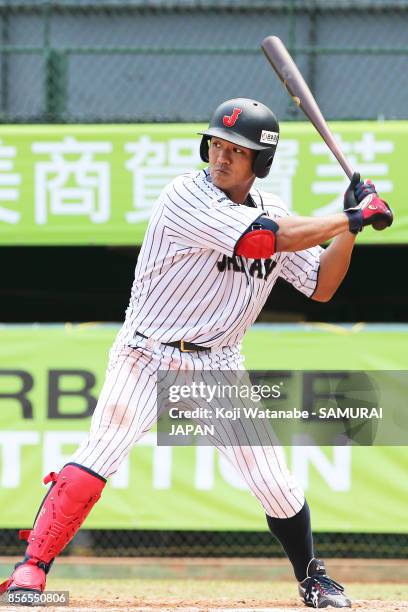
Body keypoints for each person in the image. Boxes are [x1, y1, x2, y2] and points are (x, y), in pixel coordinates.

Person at [0, 98, 393, 608]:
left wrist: (352, 229)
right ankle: (31, 568)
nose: (222, 157)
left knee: (271, 477)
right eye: (217, 144)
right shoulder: (185, 195)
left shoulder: (273, 211)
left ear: (261, 163)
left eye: (237, 150)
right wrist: (349, 214)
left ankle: (312, 576)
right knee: (101, 452)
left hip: (218, 364)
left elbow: (321, 285)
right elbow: (260, 243)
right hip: (147, 353)